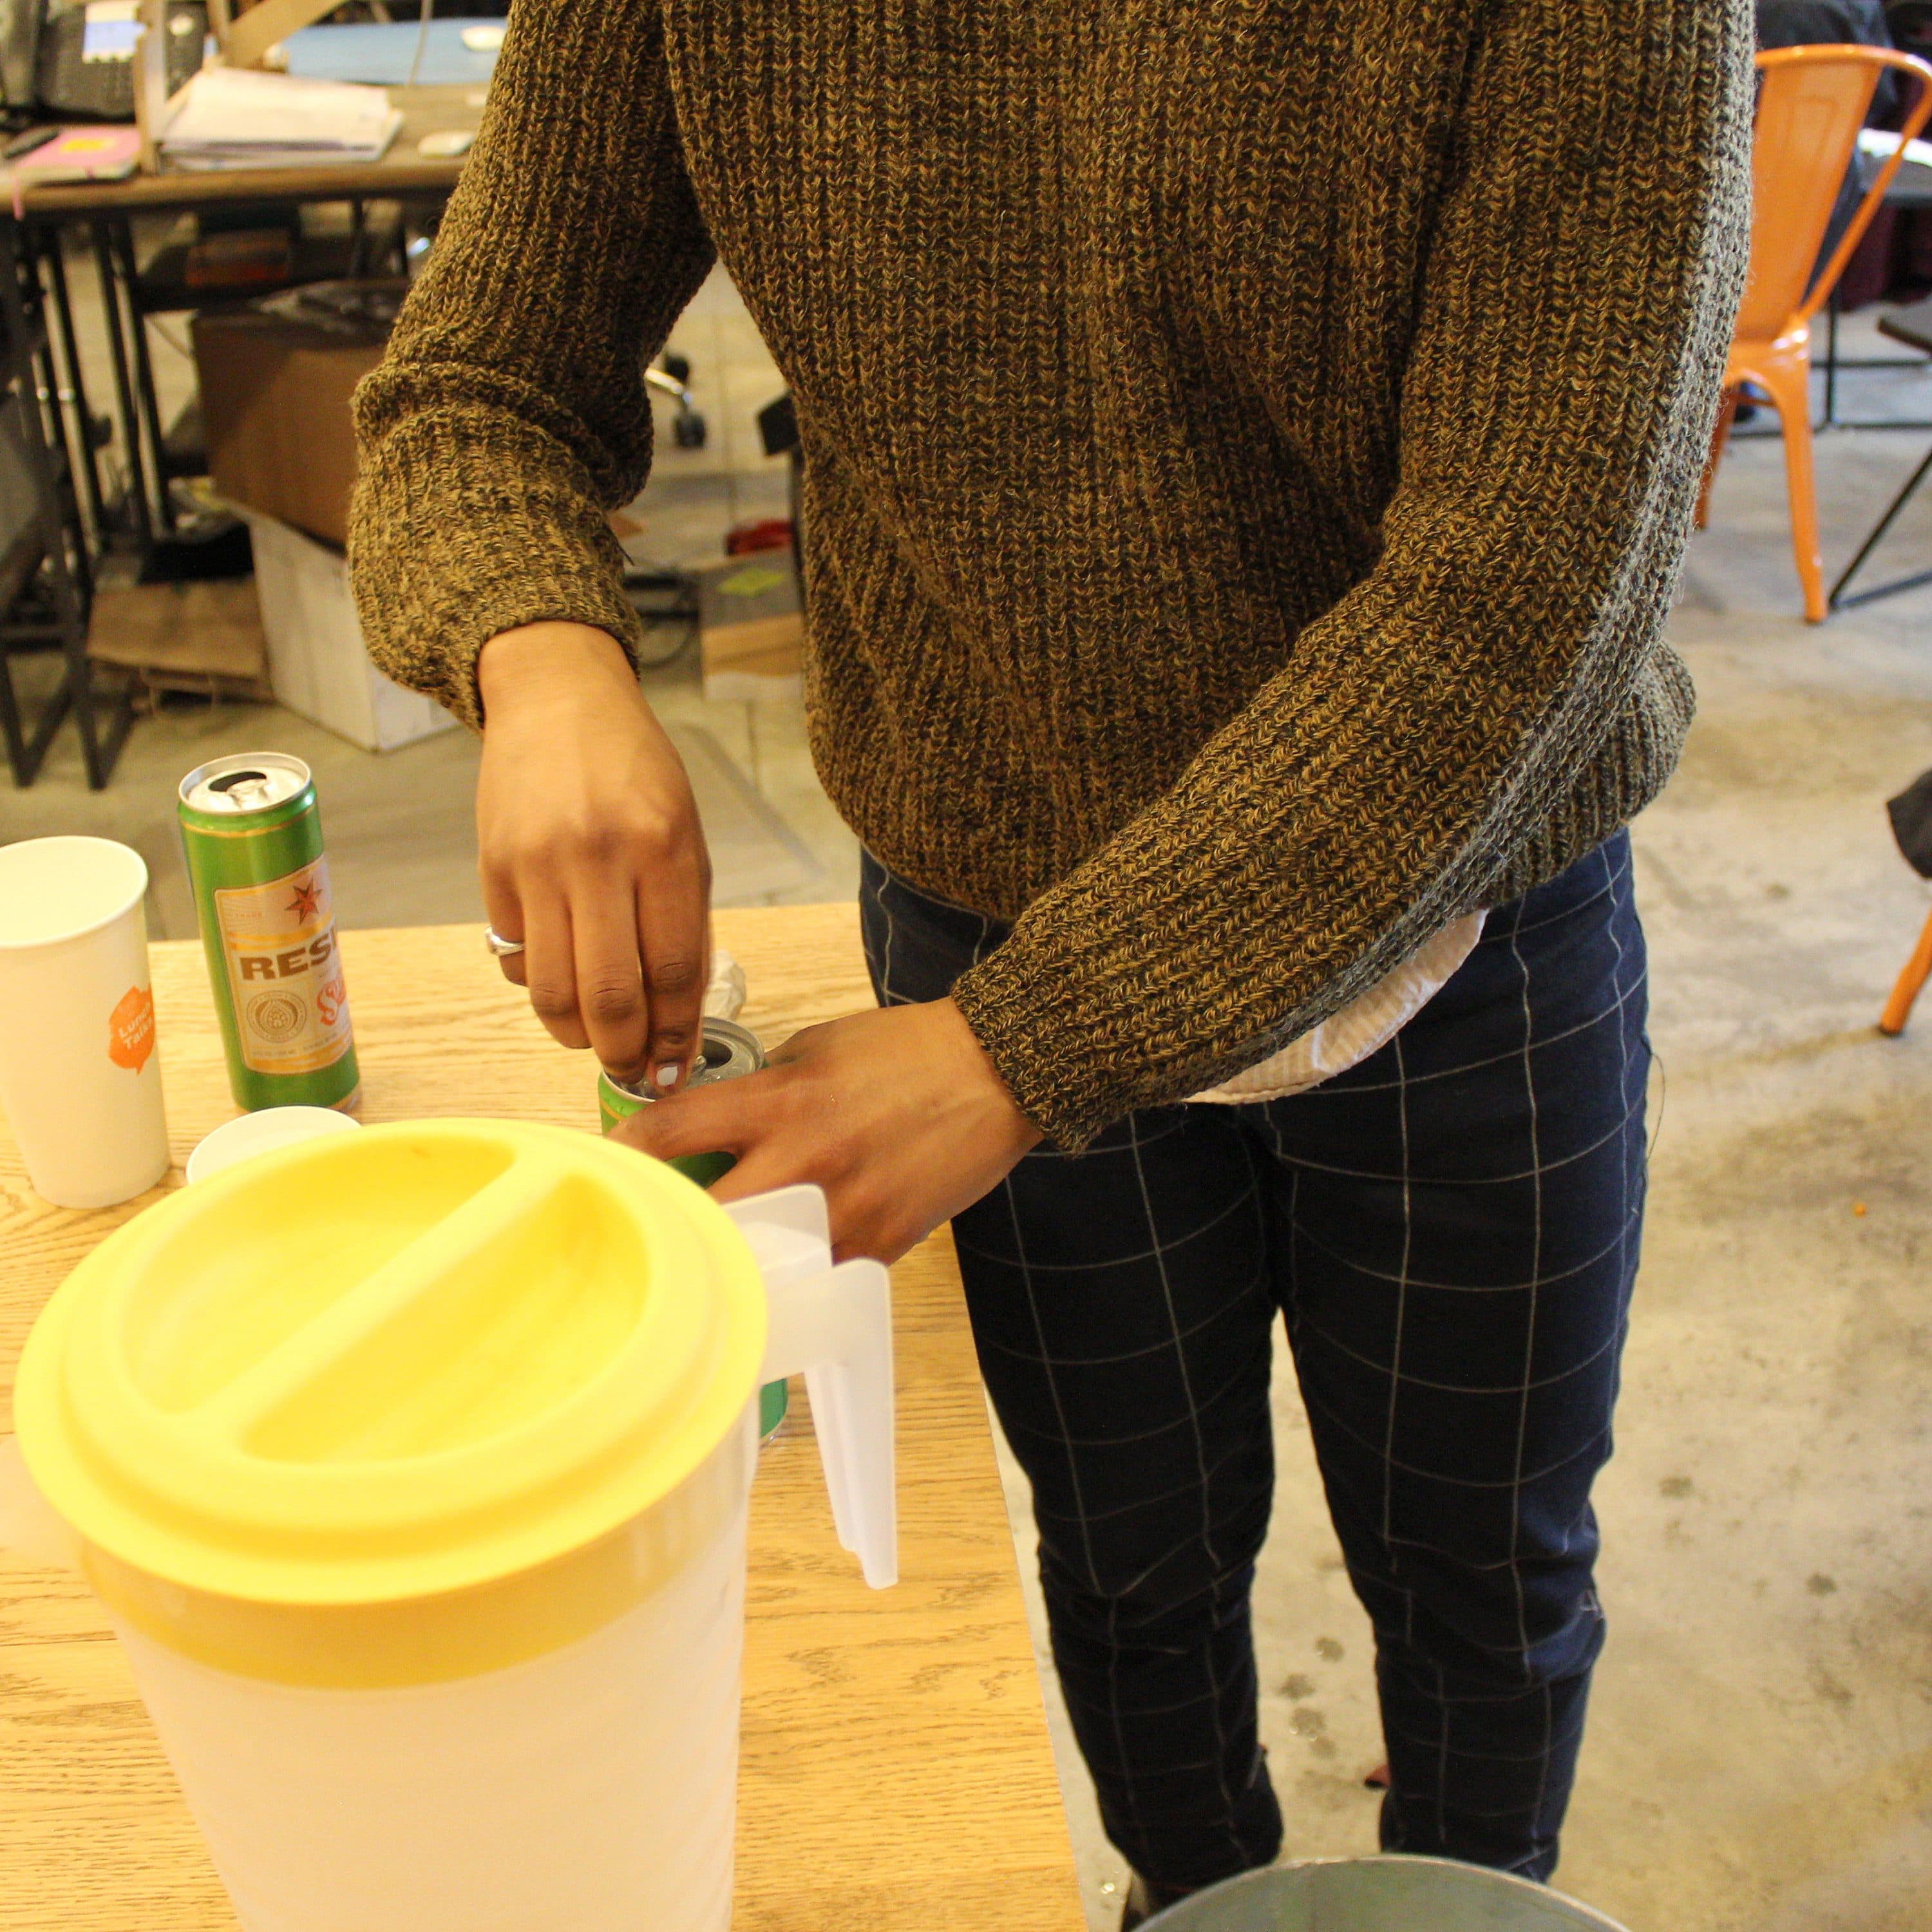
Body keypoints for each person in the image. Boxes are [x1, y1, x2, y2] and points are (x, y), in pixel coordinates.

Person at [348, 2, 1752, 1920]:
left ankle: (1471, 1898)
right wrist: (538, 649)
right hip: (981, 895)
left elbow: (1524, 588)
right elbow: (476, 379)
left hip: (1460, 924)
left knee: (1486, 1570)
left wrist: (1028, 1048)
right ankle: (1189, 1897)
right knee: (1127, 1561)